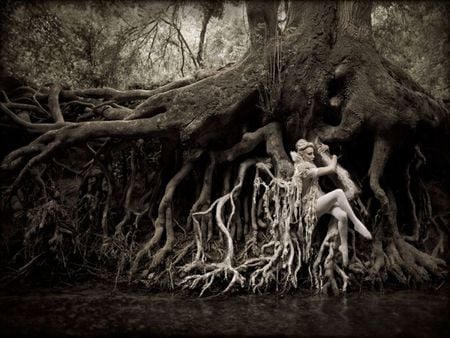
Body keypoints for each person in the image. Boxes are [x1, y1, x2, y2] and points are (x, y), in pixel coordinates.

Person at [290, 139, 372, 267]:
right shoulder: (304, 170)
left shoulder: (308, 165)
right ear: (301, 155)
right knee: (338, 193)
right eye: (309, 154)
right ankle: (357, 224)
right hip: (311, 207)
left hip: (319, 199)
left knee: (342, 216)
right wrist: (333, 156)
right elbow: (332, 169)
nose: (313, 156)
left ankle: (343, 247)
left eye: (313, 153)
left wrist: (326, 148)